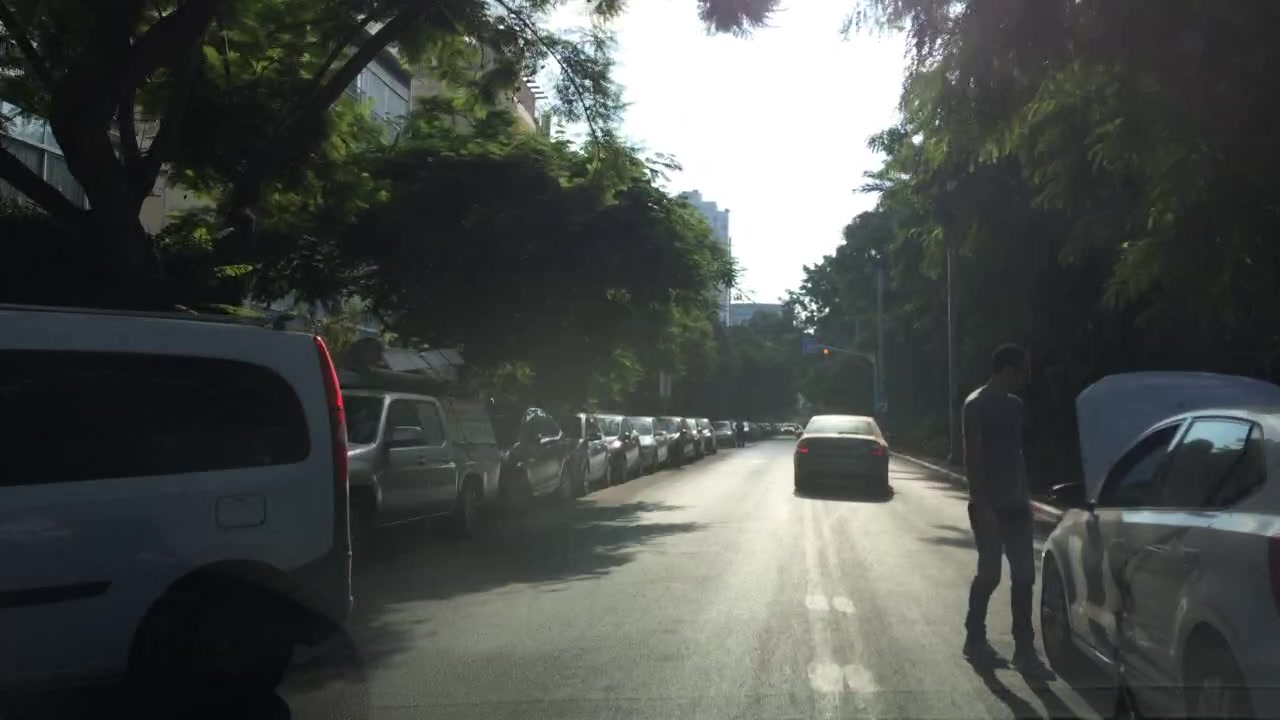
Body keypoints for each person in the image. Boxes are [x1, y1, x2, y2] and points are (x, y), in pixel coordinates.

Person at [961, 343, 1055, 680]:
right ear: (1008, 370)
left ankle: (1025, 650)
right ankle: (975, 639)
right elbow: (973, 457)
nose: (1028, 376)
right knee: (990, 574)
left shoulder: (1015, 406)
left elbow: (1017, 455)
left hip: (1016, 505)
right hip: (989, 505)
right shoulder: (976, 405)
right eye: (1024, 369)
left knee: (1025, 577)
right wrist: (982, 504)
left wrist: (1026, 498)